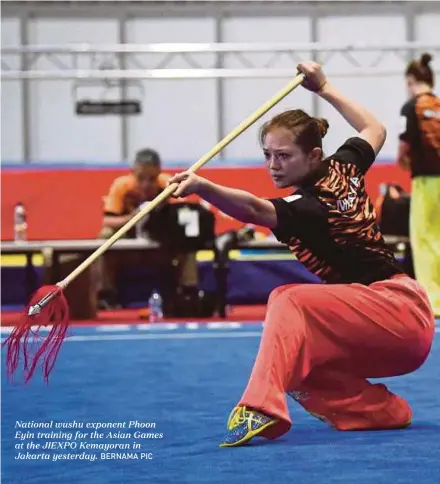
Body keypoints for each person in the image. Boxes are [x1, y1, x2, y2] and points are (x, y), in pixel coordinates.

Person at [168, 62, 436, 447]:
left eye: (284, 156)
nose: (273, 166)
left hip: (398, 311)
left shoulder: (306, 206)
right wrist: (324, 86)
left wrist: (202, 187)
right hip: (385, 324)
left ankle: (260, 406)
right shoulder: (345, 165)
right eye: (268, 155)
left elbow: (255, 210)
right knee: (295, 359)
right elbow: (374, 129)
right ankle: (383, 411)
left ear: (312, 156)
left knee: (286, 298)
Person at [97, 148, 199, 311]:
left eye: (152, 179)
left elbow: (184, 217)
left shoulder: (169, 185)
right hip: (129, 247)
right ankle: (106, 294)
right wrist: (133, 217)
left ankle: (189, 292)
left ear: (159, 173)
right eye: (140, 178)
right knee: (105, 236)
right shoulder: (121, 186)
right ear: (132, 173)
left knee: (189, 238)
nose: (146, 184)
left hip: (161, 244)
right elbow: (107, 221)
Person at [397, 53, 440, 317]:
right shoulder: (439, 104)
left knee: (424, 240)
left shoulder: (410, 107)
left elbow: (403, 147)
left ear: (412, 80)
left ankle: (432, 300)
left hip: (425, 181)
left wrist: (404, 163)